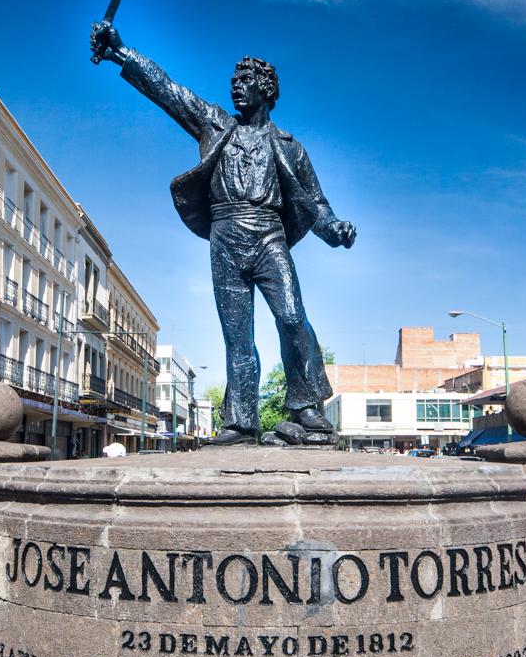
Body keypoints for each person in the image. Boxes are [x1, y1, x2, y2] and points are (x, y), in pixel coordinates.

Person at [90, 23, 357, 444]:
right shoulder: (215, 124)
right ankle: (240, 422)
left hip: (270, 235)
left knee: (291, 317)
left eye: (246, 81)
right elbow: (168, 90)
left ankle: (304, 406)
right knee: (237, 336)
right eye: (233, 81)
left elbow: (316, 204)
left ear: (267, 90)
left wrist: (334, 228)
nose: (236, 87)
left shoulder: (290, 146)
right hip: (226, 235)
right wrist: (121, 52)